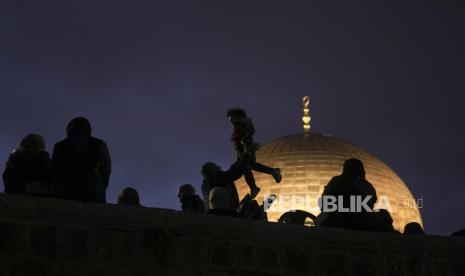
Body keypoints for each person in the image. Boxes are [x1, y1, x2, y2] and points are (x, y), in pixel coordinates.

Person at [52, 117, 111, 203]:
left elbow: (54, 172)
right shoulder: (100, 144)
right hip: (93, 190)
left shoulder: (59, 145)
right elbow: (106, 170)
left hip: (65, 190)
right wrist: (100, 187)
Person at [227, 108, 281, 198]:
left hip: (246, 149)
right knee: (251, 165)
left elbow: (249, 133)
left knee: (246, 167)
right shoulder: (241, 125)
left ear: (238, 117)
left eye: (232, 118)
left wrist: (245, 145)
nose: (231, 122)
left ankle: (254, 187)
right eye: (230, 120)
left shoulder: (241, 125)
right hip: (243, 149)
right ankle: (272, 172)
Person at [318, 158, 378, 231]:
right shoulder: (367, 185)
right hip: (363, 221)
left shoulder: (337, 181)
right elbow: (371, 203)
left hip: (337, 219)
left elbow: (325, 201)